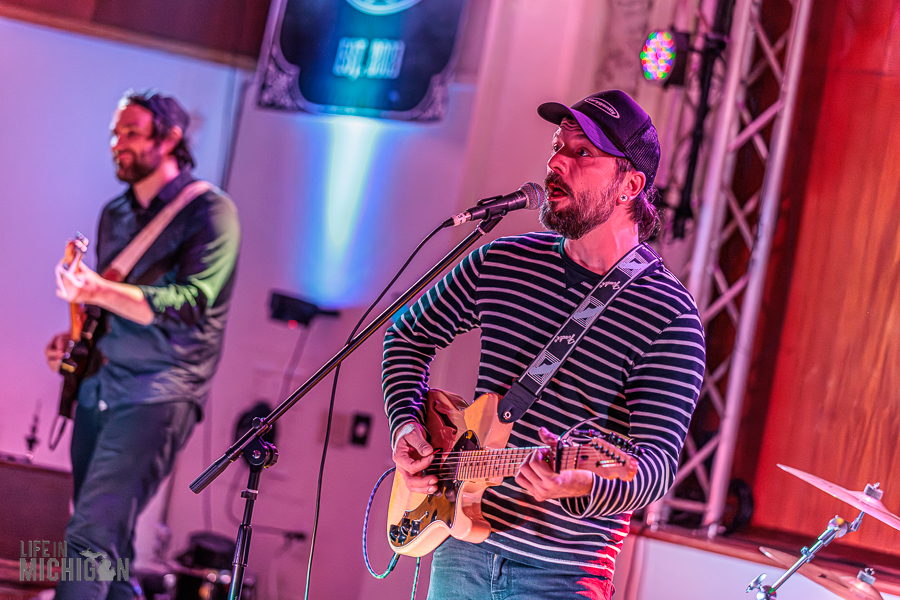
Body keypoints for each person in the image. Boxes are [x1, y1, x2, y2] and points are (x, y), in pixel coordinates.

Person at [384, 89, 705, 599]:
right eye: (558, 146)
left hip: (562, 573)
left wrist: (585, 484)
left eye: (582, 152)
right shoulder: (503, 261)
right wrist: (407, 424)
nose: (557, 161)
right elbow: (406, 334)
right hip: (459, 548)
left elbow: (657, 465)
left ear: (630, 185)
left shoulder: (669, 316)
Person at [45, 90, 240, 600]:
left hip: (159, 390)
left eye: (131, 132)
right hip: (100, 383)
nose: (118, 143)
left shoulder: (211, 213)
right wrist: (75, 341)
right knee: (110, 543)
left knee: (90, 534)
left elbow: (191, 302)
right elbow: (111, 306)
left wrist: (95, 289)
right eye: (116, 133)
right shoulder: (115, 213)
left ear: (170, 138)